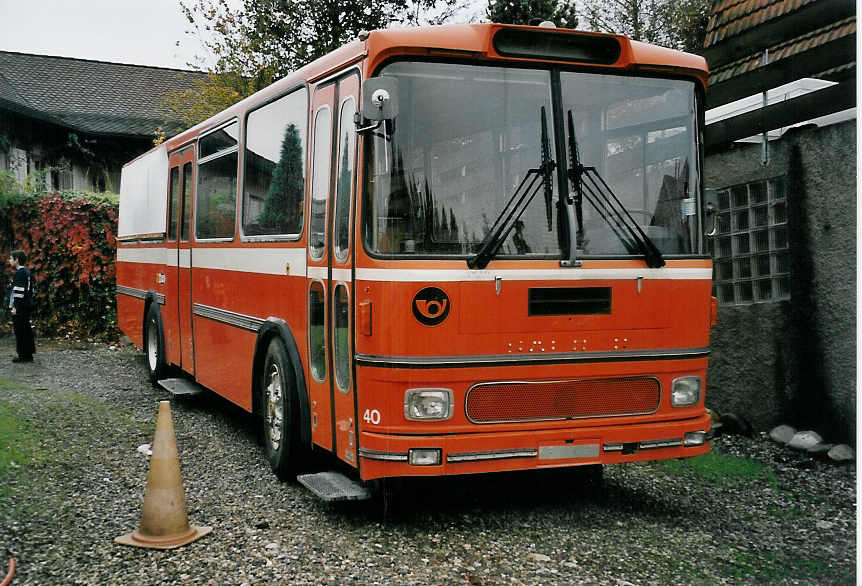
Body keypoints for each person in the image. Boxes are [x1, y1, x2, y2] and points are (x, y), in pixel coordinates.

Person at [7, 250, 35, 363]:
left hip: (20, 306)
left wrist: (15, 307)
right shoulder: (27, 273)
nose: (9, 260)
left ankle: (23, 355)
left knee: (20, 330)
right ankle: (28, 354)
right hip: (27, 304)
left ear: (17, 259)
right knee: (26, 329)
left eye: (11, 258)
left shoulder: (19, 273)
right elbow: (31, 290)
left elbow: (18, 292)